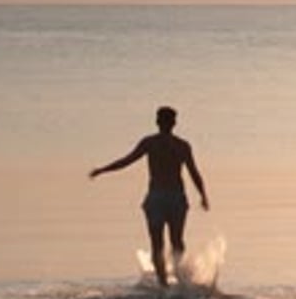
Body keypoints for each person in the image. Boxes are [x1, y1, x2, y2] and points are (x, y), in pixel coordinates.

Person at [89, 106, 209, 287]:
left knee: (157, 243)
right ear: (174, 123)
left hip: (159, 198)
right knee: (176, 240)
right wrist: (203, 195)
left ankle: (164, 285)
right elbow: (194, 173)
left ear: (157, 122)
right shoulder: (181, 145)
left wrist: (102, 170)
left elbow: (126, 161)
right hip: (175, 197)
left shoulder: (151, 143)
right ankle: (179, 279)